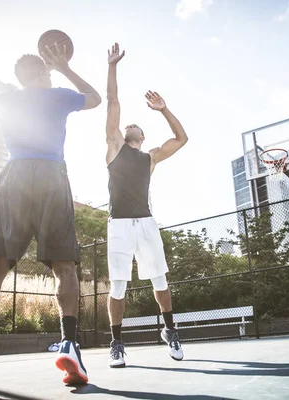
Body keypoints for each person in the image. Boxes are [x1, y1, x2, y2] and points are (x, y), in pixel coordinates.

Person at [0, 43, 101, 392]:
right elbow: (93, 97)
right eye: (45, 72)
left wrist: (46, 71)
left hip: (14, 175)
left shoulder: (4, 99)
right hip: (50, 174)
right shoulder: (59, 96)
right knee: (65, 267)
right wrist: (63, 68)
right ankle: (70, 345)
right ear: (42, 74)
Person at [104, 43, 188, 368]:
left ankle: (170, 330)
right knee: (119, 285)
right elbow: (112, 102)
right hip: (120, 224)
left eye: (135, 127)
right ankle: (116, 342)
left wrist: (164, 109)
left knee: (160, 281)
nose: (130, 126)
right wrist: (112, 66)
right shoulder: (114, 147)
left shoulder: (150, 157)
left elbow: (181, 139)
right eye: (127, 127)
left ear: (141, 134)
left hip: (146, 223)